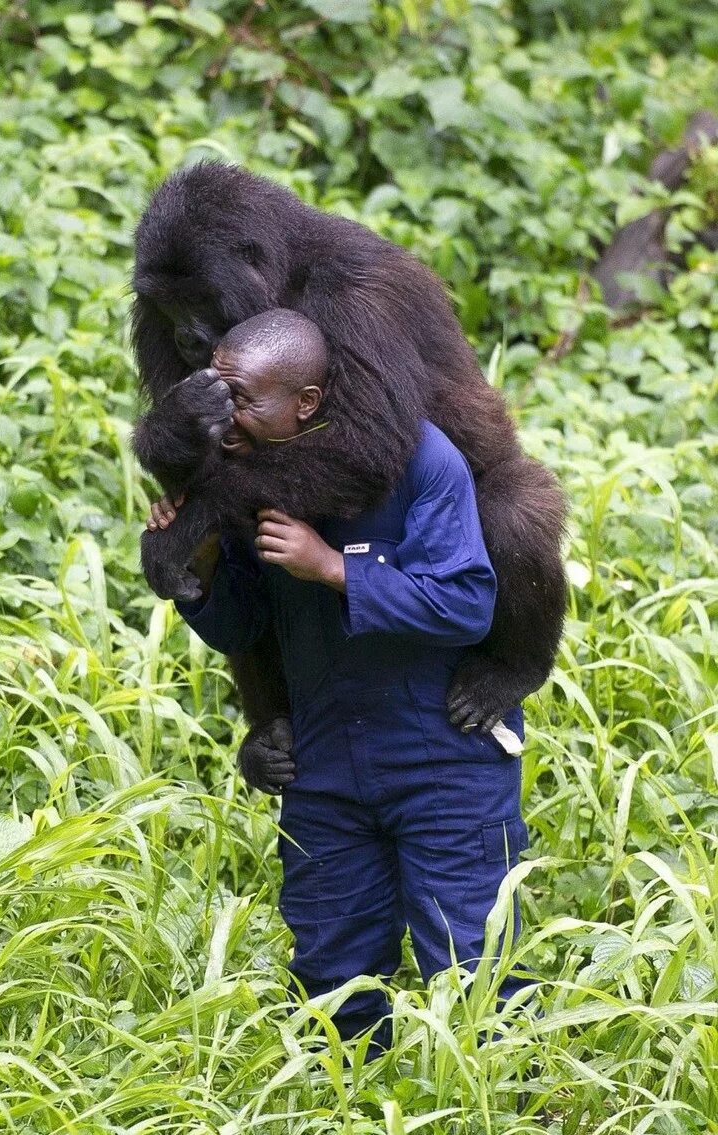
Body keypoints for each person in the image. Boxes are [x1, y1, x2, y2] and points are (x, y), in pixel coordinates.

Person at [147, 309, 529, 1056]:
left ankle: (501, 1103)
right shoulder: (252, 478)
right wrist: (196, 573)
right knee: (333, 983)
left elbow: (466, 601)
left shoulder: (422, 459)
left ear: (307, 402)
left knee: (478, 973)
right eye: (217, 394)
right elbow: (245, 629)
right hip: (327, 768)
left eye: (244, 400)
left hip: (443, 759)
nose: (225, 418)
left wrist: (331, 566)